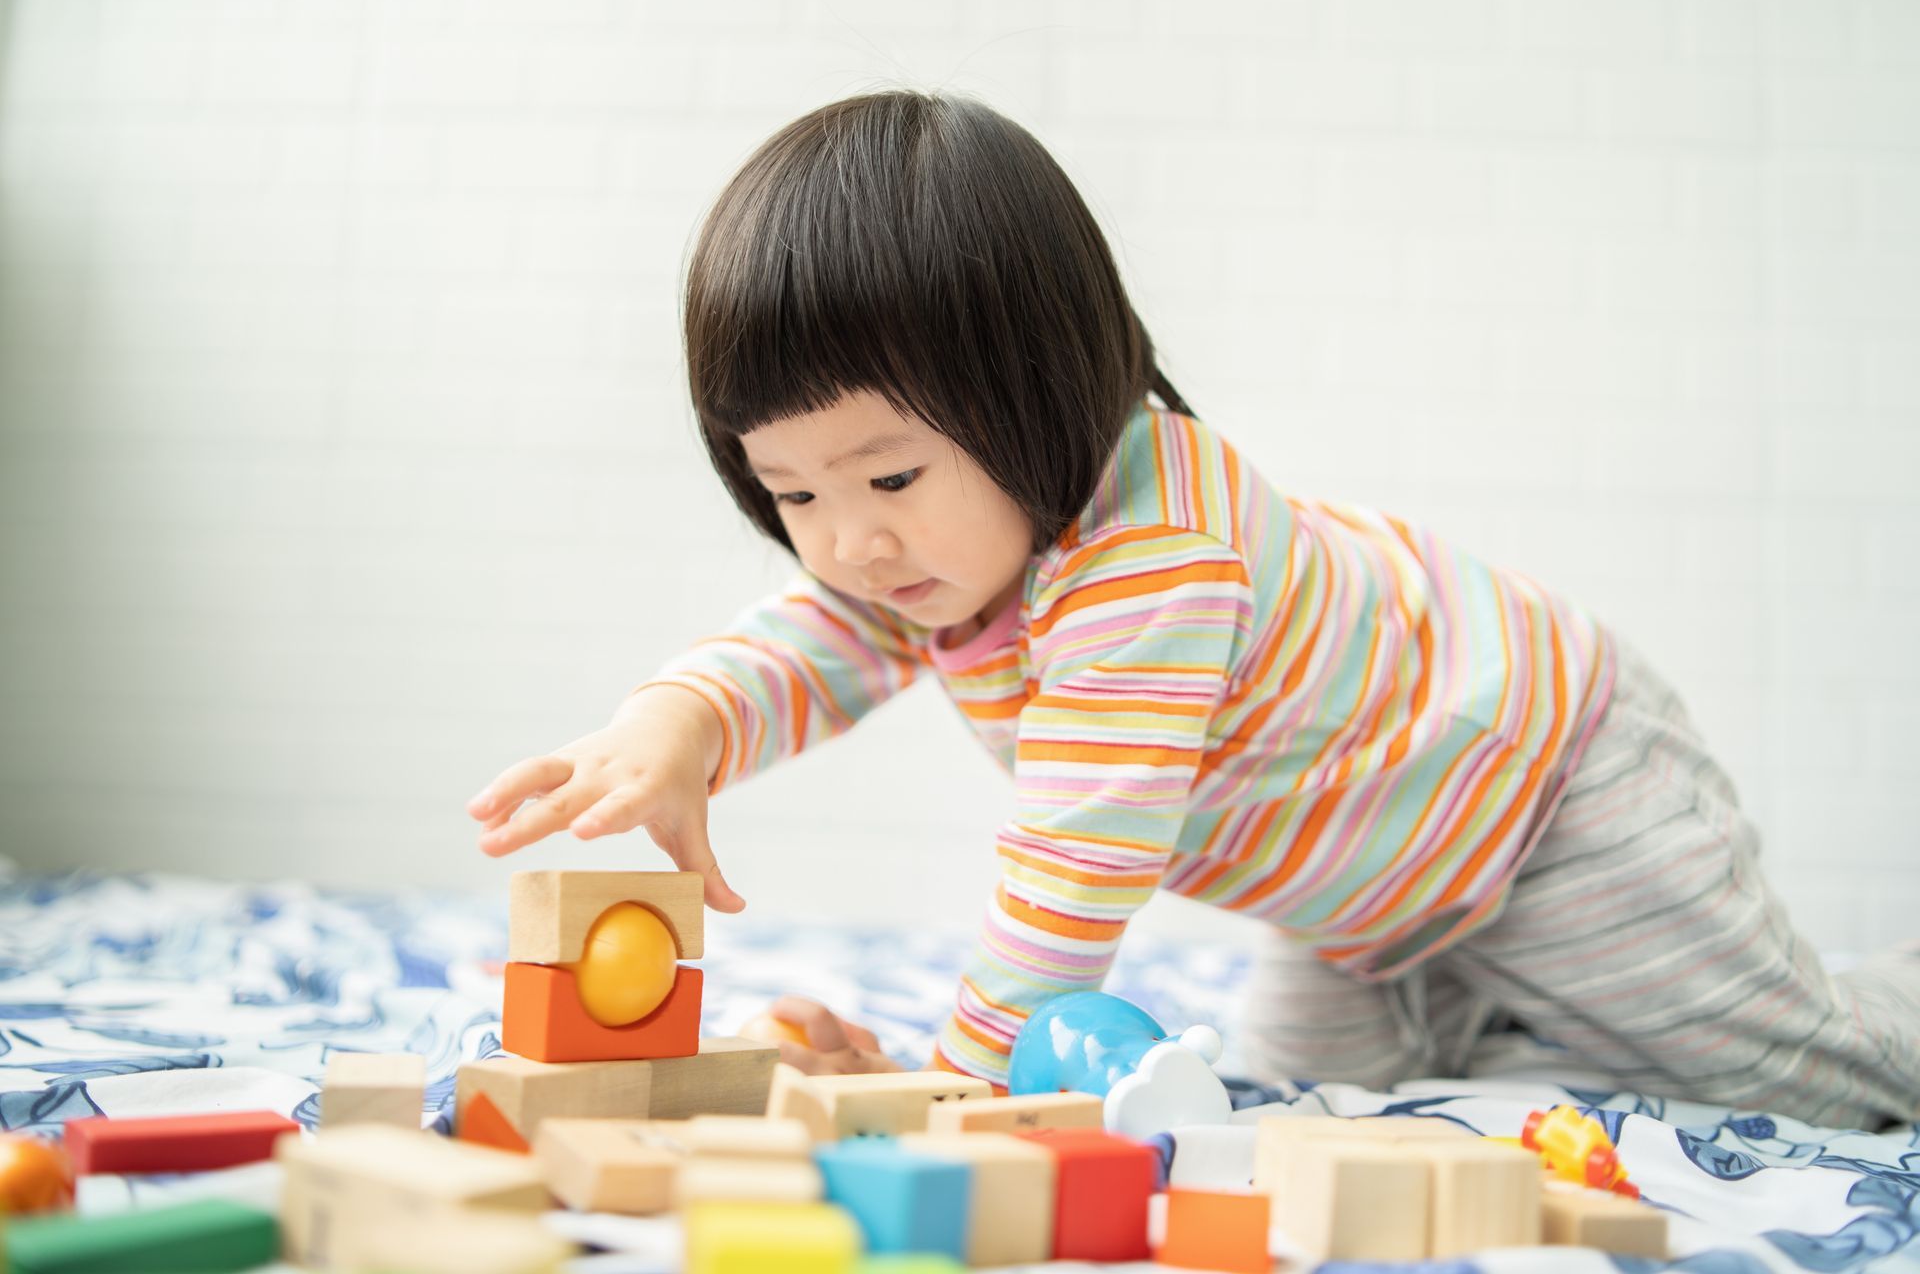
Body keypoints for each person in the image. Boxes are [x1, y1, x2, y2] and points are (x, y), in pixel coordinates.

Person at [468, 89, 1920, 1129]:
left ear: (1031, 387)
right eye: (790, 493)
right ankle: (1496, 1009)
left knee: (1794, 1081)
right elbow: (811, 641)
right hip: (1364, 899)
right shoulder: (930, 557)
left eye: (889, 472)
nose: (846, 538)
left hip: (1547, 797)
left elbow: (1080, 852)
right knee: (1303, 1108)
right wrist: (682, 720)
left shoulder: (1151, 559)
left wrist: (954, 1078)